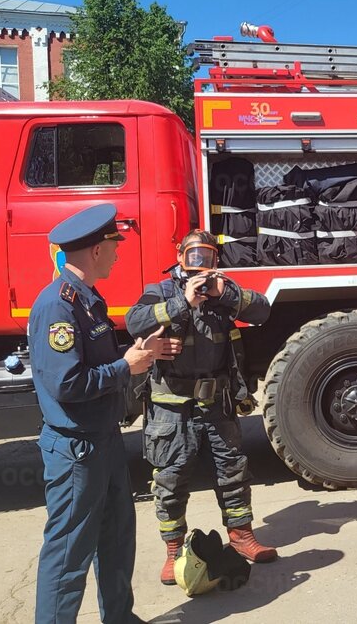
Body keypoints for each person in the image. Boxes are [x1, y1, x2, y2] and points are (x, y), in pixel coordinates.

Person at [30, 203, 166, 624]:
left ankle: (120, 618)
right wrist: (127, 366)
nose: (117, 253)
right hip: (76, 449)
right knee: (69, 552)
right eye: (113, 245)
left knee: (116, 539)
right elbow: (67, 384)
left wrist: (130, 358)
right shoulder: (59, 306)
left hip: (102, 440)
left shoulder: (87, 299)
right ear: (93, 250)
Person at [125, 229, 275, 585]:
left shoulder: (223, 293)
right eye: (192, 257)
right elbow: (134, 320)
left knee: (233, 471)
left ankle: (241, 536)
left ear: (214, 261)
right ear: (179, 258)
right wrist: (184, 303)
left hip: (217, 403)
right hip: (172, 408)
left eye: (205, 258)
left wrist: (226, 292)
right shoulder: (162, 292)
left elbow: (263, 311)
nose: (198, 265)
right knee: (171, 479)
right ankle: (174, 550)